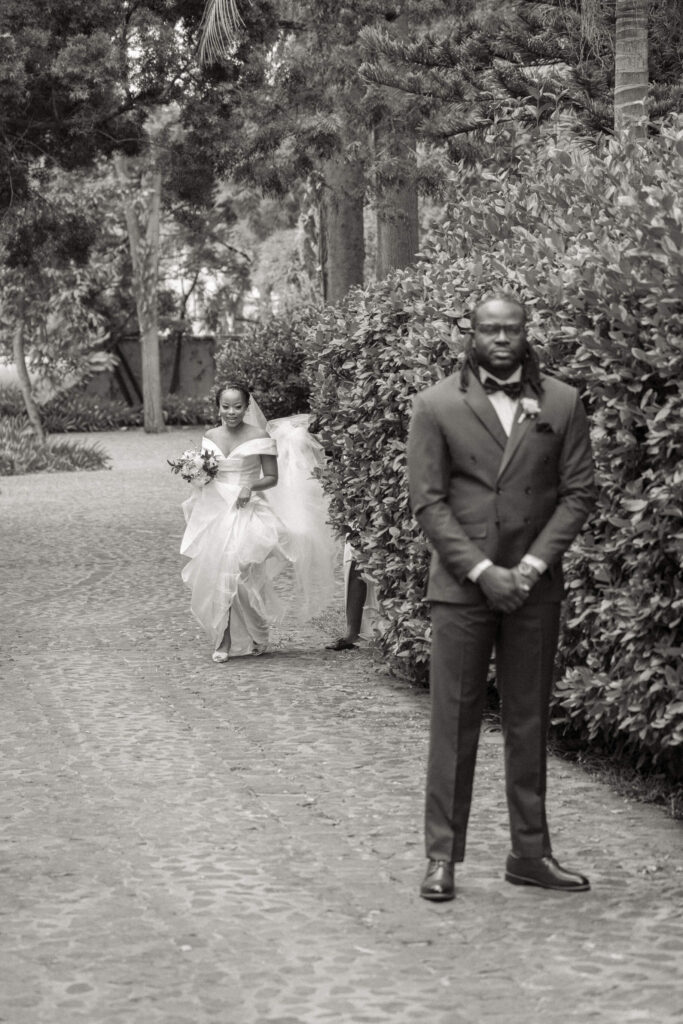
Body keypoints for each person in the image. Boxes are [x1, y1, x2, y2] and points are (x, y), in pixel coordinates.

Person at [406, 292, 596, 901]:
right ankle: (442, 858)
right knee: (454, 723)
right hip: (462, 589)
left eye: (512, 328)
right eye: (490, 329)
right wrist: (484, 570)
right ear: (472, 335)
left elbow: (579, 492)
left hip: (534, 589)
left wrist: (532, 566)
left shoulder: (562, 401)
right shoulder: (435, 403)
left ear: (526, 332)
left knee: (529, 721)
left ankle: (530, 854)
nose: (502, 339)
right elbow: (428, 502)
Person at [179, 381, 337, 663]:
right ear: (218, 407)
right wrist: (197, 474)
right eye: (226, 407)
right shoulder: (210, 436)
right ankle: (224, 639)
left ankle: (256, 630)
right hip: (215, 509)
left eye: (237, 407)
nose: (231, 412)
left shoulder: (259, 435)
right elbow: (209, 473)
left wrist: (249, 486)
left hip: (246, 509)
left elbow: (271, 477)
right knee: (219, 571)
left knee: (238, 571)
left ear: (246, 407)